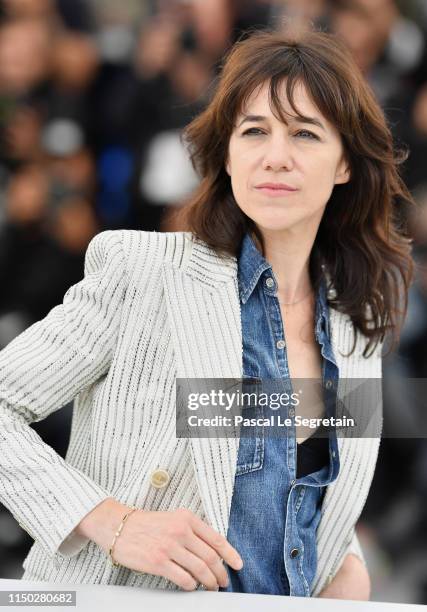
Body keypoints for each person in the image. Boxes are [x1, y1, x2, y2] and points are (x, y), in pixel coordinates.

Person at [0, 29, 413, 599]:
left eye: (305, 133)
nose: (275, 156)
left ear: (345, 163)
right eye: (255, 131)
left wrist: (341, 556)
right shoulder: (144, 273)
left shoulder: (352, 322)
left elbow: (291, 484)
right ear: (227, 151)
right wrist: (113, 522)